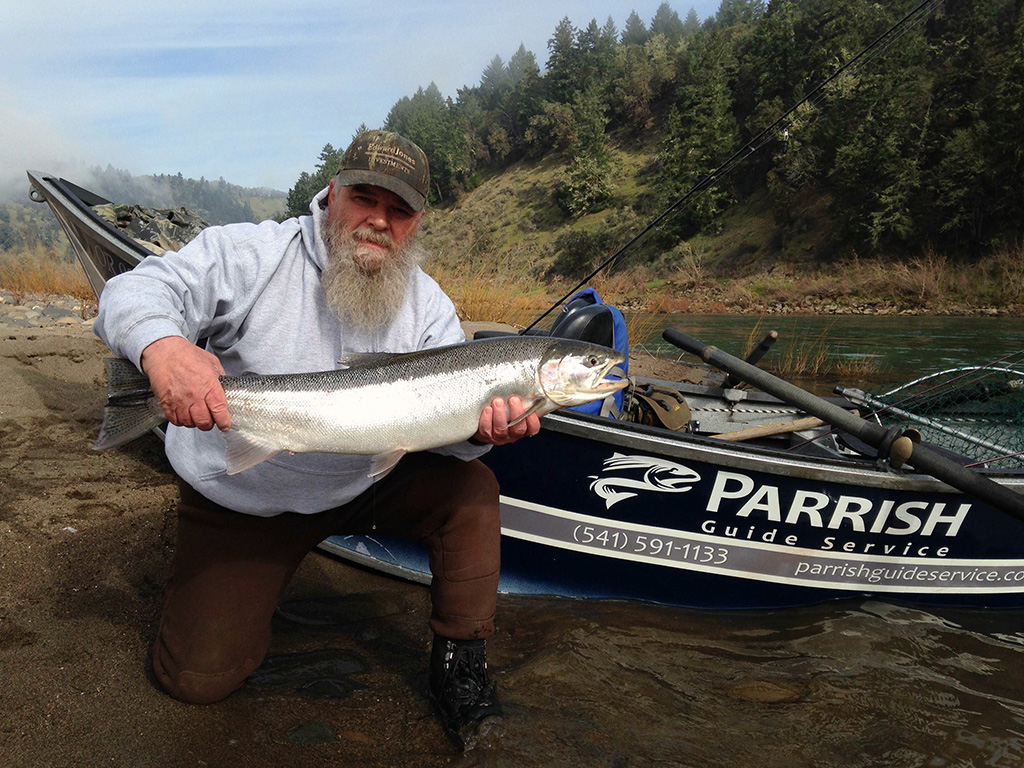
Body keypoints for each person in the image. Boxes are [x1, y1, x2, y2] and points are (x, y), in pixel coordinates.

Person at [94, 130, 540, 746]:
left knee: (473, 486)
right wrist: (164, 349)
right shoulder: (251, 252)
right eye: (365, 198)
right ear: (332, 194)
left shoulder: (431, 308)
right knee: (194, 680)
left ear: (417, 223)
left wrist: (484, 433)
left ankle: (460, 666)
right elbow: (133, 288)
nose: (379, 221)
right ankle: (243, 586)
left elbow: (447, 437)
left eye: (400, 210)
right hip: (243, 490)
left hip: (362, 480)